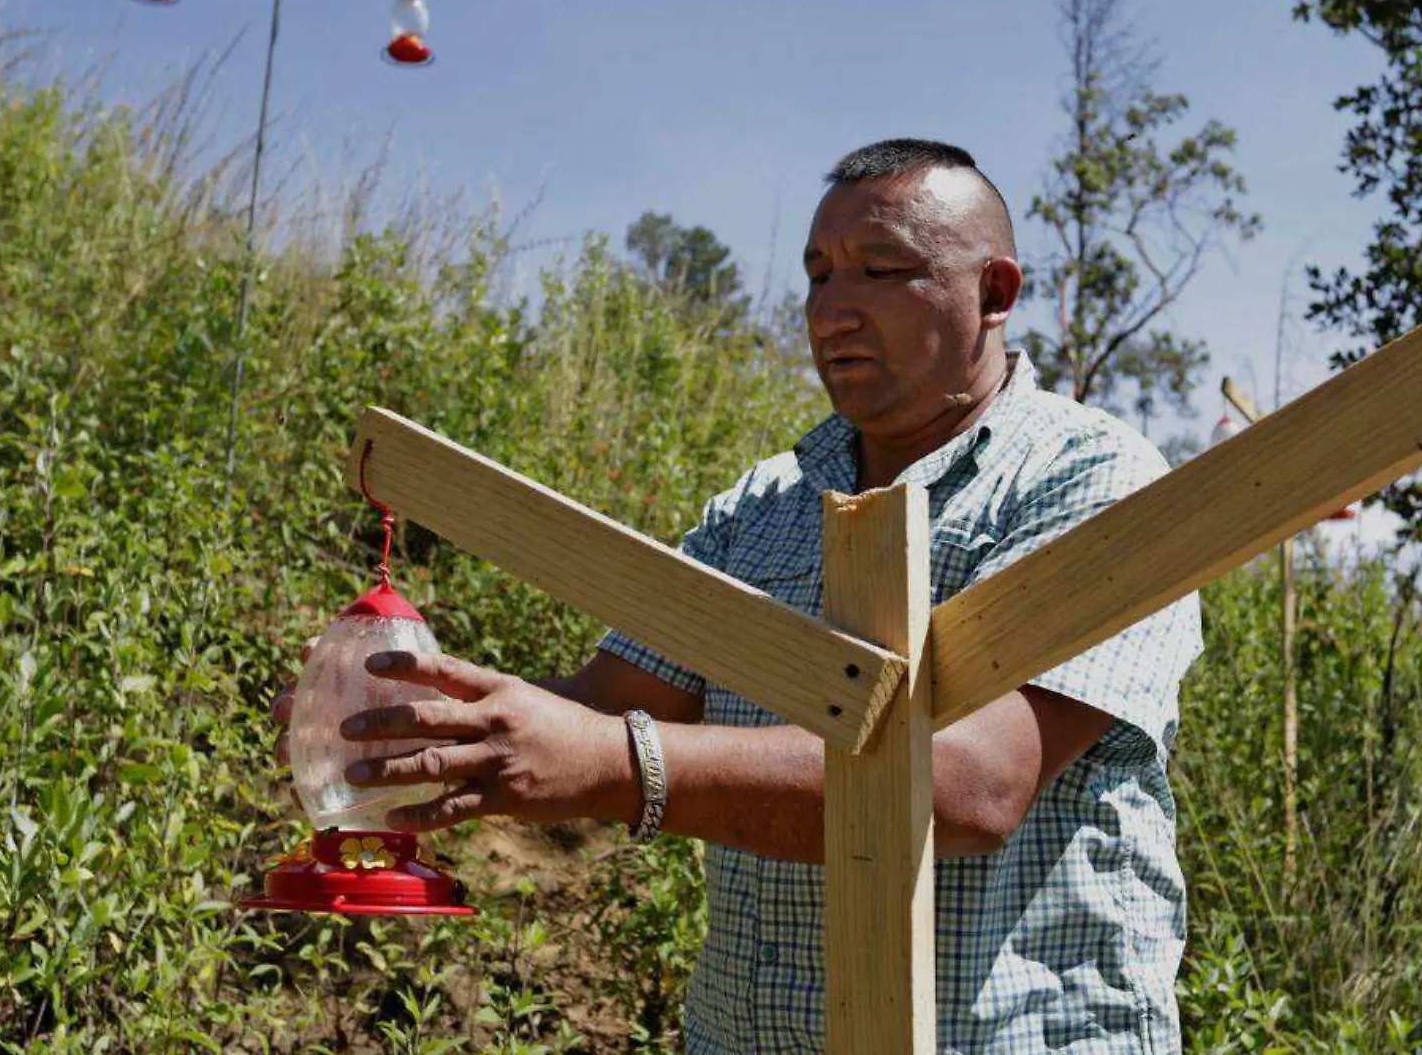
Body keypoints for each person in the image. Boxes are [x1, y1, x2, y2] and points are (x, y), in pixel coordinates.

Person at [272, 138, 1204, 1053]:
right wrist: (420, 728)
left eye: (880, 270)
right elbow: (614, 706)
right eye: (816, 276)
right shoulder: (762, 505)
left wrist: (615, 765)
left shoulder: (1095, 482)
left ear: (994, 293)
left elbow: (974, 785)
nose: (833, 311)